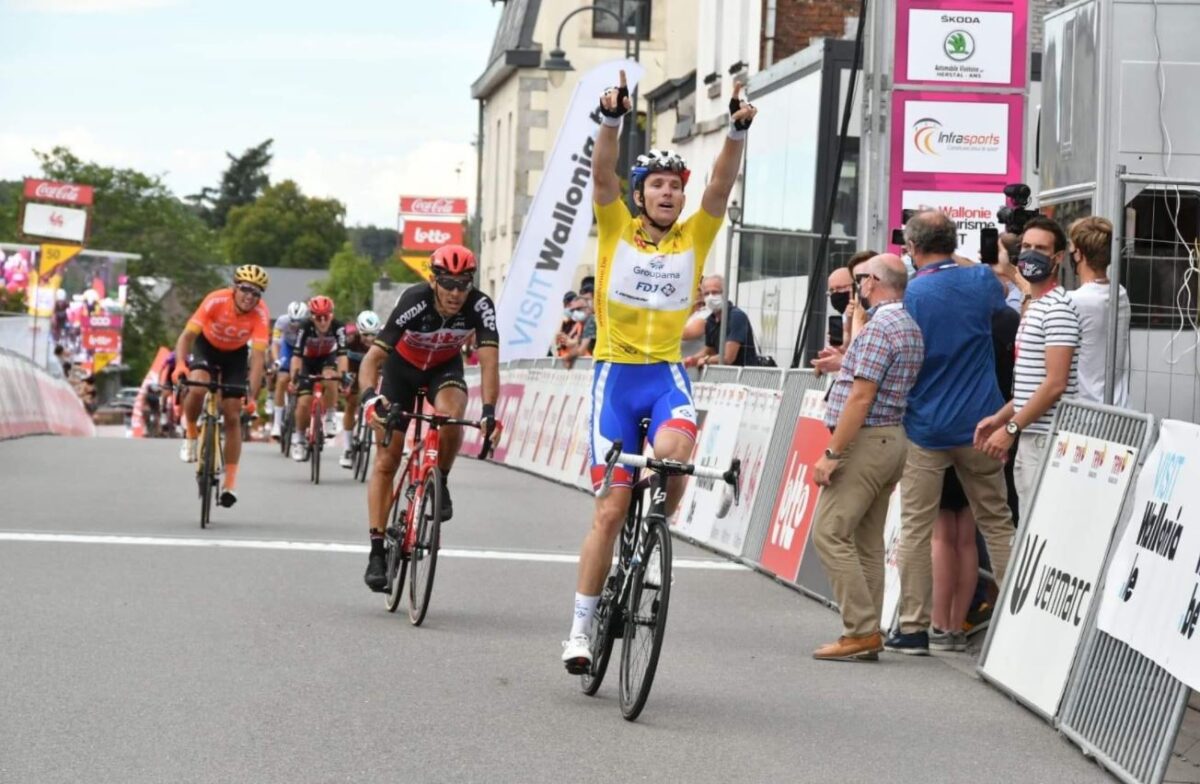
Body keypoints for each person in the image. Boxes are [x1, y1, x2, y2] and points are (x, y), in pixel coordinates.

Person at [561, 71, 756, 673]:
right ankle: (580, 629)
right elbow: (602, 176)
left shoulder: (695, 237)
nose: (670, 194)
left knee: (672, 457)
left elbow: (720, 189)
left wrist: (735, 132)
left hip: (666, 375)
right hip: (615, 378)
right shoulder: (617, 227)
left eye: (676, 186)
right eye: (660, 186)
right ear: (641, 194)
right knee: (610, 509)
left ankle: (652, 541)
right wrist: (611, 122)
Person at [886, 210, 1014, 656]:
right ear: (952, 241)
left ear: (913, 248)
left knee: (917, 530)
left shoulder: (913, 293)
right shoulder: (980, 281)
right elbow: (996, 288)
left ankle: (914, 627)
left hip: (926, 425)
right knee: (996, 523)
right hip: (983, 421)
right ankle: (1018, 619)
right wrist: (950, 253)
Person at [358, 244, 501, 591]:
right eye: (449, 283)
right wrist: (369, 399)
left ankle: (443, 479)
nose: (456, 292)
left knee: (452, 414)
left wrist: (489, 413)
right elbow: (372, 359)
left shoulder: (480, 305)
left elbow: (488, 363)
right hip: (401, 370)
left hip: (442, 368)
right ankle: (376, 551)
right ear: (434, 280)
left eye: (463, 284)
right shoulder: (414, 300)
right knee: (386, 461)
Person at [809, 255, 924, 661]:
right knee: (867, 542)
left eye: (860, 280)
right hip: (892, 438)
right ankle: (867, 631)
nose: (857, 288)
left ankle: (860, 629)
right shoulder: (907, 325)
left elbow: (861, 396)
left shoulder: (881, 328)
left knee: (829, 532)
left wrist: (832, 453)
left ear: (873, 281)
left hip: (867, 439)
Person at [976, 215, 1080, 523]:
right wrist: (1000, 418)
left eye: (1041, 248)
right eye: (1027, 246)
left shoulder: (1058, 308)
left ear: (1058, 257)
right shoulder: (1036, 307)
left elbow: (1055, 384)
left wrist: (1011, 428)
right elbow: (1032, 384)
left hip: (1047, 439)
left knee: (1041, 528)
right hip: (1032, 436)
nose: (1031, 253)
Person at [172, 265, 270, 507]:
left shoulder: (260, 313)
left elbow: (258, 359)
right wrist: (179, 366)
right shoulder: (216, 300)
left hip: (235, 356)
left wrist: (253, 396)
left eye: (256, 293)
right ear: (234, 288)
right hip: (207, 348)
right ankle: (192, 431)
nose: (250, 296)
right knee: (198, 387)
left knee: (233, 415)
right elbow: (186, 336)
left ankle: (230, 484)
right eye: (246, 289)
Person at [1067, 216, 1130, 407]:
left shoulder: (1074, 301)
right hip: (1118, 406)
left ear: (1078, 254)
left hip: (1085, 411)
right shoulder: (1120, 293)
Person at [289, 295, 349, 462]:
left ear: (332, 315)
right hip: (307, 361)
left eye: (326, 316)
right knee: (304, 402)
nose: (323, 321)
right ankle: (299, 439)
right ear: (311, 316)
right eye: (318, 317)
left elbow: (343, 355)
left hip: (326, 359)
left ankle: (330, 415)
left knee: (330, 378)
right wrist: (294, 378)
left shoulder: (338, 327)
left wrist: (343, 377)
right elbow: (296, 356)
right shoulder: (304, 327)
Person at [811, 249, 876, 375]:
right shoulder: (845, 318)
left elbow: (868, 361)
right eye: (831, 291)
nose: (836, 294)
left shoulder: (876, 317)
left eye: (840, 288)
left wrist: (842, 360)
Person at [688, 274, 759, 367]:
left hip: (744, 375)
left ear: (725, 293)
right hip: (724, 375)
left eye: (715, 292)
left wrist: (706, 360)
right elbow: (710, 350)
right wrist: (690, 360)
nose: (710, 297)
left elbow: (727, 357)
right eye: (706, 293)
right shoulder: (711, 320)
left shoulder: (736, 316)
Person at [339, 310, 381, 468]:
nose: (369, 339)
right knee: (351, 403)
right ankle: (347, 448)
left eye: (373, 335)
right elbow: (341, 359)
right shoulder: (349, 340)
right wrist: (345, 378)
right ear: (358, 331)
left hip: (374, 370)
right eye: (365, 335)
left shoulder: (383, 339)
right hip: (354, 370)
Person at [270, 301, 308, 439]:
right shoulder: (281, 321)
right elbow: (275, 344)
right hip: (287, 348)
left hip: (304, 350)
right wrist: (277, 361)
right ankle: (277, 423)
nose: (295, 325)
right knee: (282, 380)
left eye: (299, 322)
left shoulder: (310, 325)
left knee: (302, 381)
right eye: (293, 321)